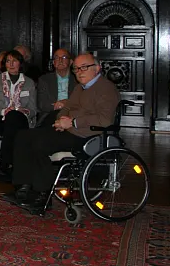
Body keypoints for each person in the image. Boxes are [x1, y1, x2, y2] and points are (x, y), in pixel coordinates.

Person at [6, 53, 120, 212]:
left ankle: (42, 194)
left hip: (88, 136)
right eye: (76, 69)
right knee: (24, 136)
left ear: (97, 68)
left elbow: (104, 119)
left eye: (84, 68)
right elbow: (66, 108)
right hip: (70, 130)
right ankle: (23, 189)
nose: (79, 72)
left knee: (40, 144)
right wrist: (60, 121)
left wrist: (72, 122)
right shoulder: (80, 88)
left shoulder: (106, 88)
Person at [0, 50, 37, 180]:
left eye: (14, 61)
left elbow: (33, 109)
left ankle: (4, 160)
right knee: (11, 118)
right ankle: (9, 163)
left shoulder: (29, 82)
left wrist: (23, 111)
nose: (11, 64)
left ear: (20, 63)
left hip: (21, 119)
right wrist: (5, 111)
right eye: (8, 61)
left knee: (14, 116)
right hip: (0, 118)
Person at [36, 49, 77, 126]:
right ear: (54, 62)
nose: (60, 60)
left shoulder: (77, 79)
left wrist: (66, 103)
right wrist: (59, 105)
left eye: (64, 57)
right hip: (50, 114)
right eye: (57, 58)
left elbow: (81, 102)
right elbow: (42, 104)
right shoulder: (44, 79)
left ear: (71, 62)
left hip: (71, 114)